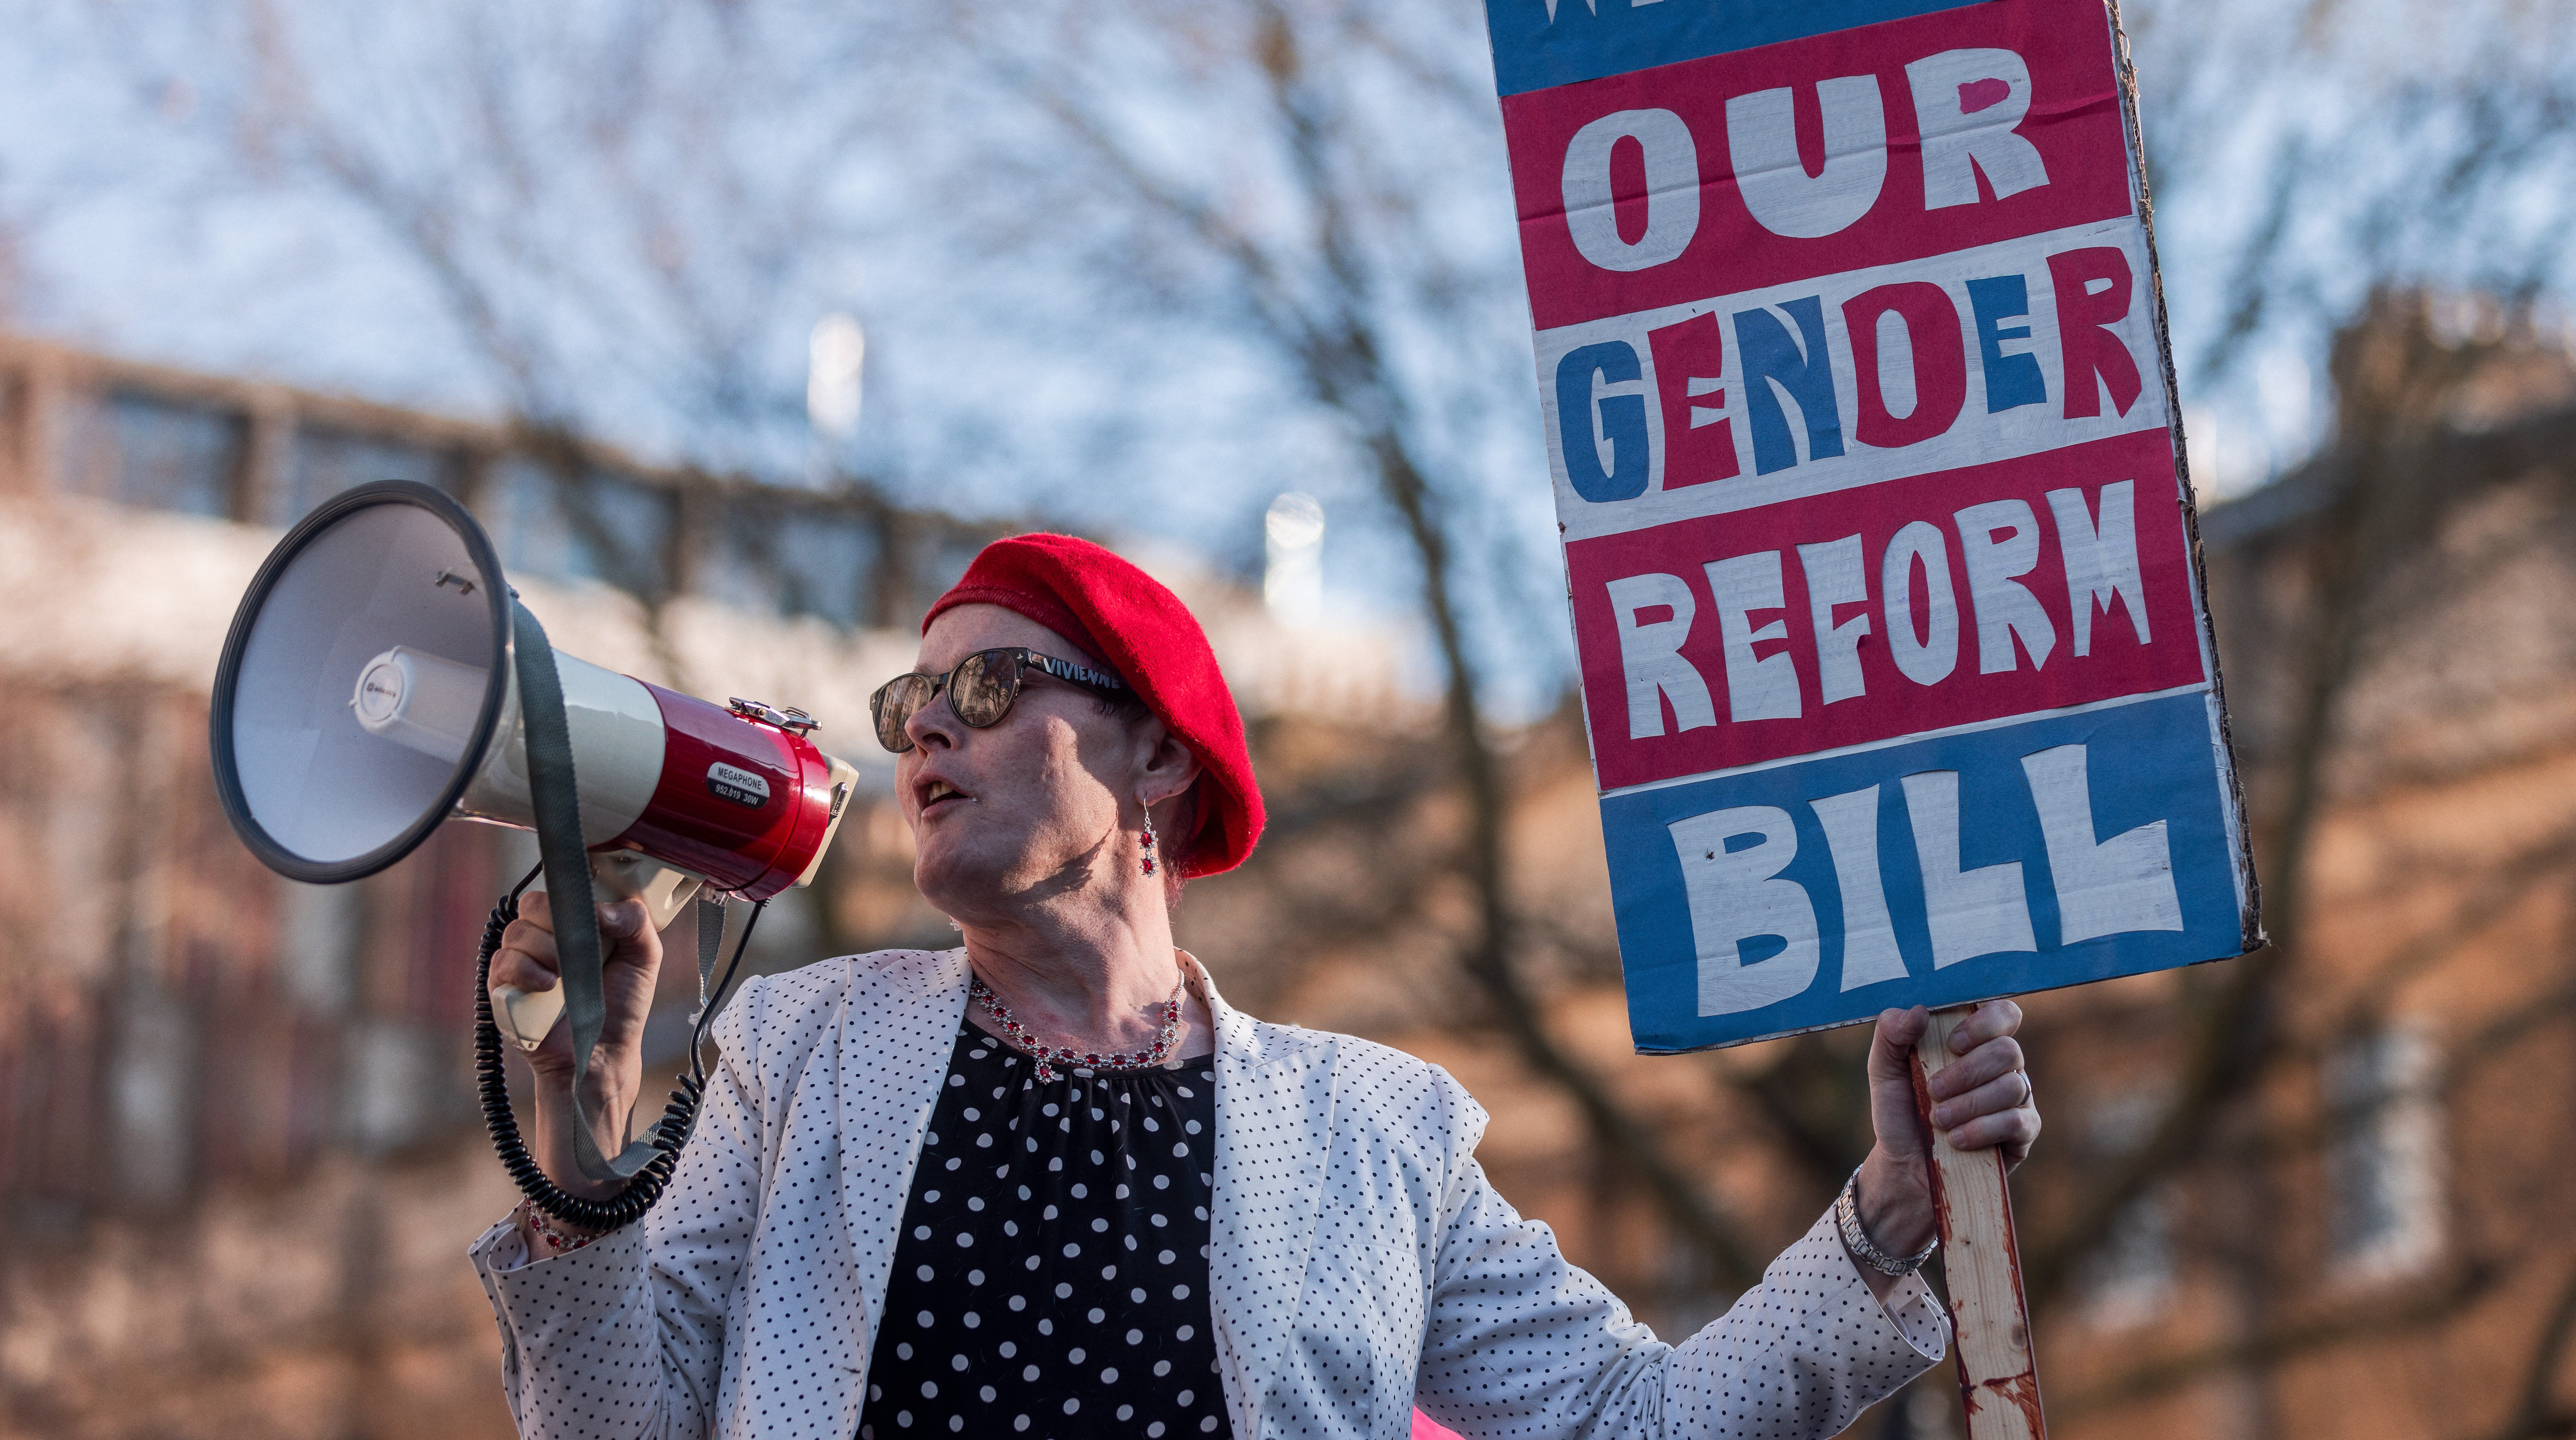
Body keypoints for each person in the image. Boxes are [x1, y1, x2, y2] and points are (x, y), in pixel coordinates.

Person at [473, 533, 2041, 1440]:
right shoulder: (798, 1044)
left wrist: (1888, 1213)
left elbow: (1629, 1428)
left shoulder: (1379, 1129)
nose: (924, 734)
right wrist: (581, 1135)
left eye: (987, 687)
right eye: (908, 704)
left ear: (1157, 752)